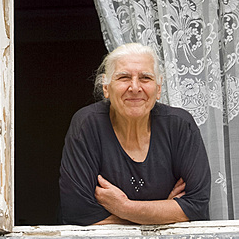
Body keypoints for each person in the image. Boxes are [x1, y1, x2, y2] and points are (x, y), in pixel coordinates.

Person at [59, 43, 211, 226]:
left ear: (158, 89)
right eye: (124, 77)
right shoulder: (87, 124)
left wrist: (124, 207)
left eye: (145, 78)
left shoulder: (179, 125)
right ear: (106, 88)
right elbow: (78, 212)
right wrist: (165, 213)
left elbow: (197, 206)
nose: (135, 87)